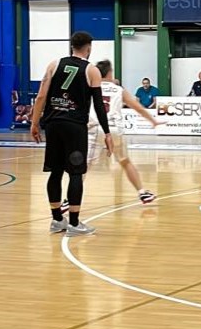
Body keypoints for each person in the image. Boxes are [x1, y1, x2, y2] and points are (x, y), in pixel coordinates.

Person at [30, 31, 115, 237]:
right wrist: (107, 132)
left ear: (71, 46)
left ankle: (57, 219)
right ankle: (74, 223)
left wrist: (34, 122)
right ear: (89, 48)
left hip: (53, 124)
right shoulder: (92, 70)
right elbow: (99, 105)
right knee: (76, 173)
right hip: (75, 126)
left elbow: (41, 96)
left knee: (56, 172)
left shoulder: (54, 64)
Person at [88, 60, 160, 204]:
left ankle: (69, 199)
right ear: (110, 73)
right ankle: (142, 192)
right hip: (115, 129)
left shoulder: (90, 87)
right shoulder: (118, 89)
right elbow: (137, 107)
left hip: (96, 128)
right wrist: (153, 120)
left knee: (84, 166)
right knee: (125, 161)